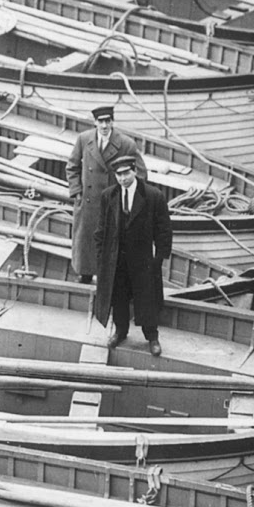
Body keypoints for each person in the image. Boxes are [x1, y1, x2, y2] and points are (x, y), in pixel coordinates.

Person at [93, 153, 172, 357]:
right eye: (118, 175)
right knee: (118, 296)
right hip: (117, 258)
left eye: (126, 173)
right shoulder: (108, 196)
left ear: (135, 172)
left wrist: (159, 257)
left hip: (143, 259)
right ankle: (120, 331)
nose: (122, 178)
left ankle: (152, 336)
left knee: (147, 298)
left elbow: (164, 230)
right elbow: (101, 229)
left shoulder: (153, 196)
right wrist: (102, 257)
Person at [66, 104, 145, 283]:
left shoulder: (126, 144)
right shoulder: (84, 139)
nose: (104, 126)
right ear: (95, 122)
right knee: (86, 243)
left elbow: (141, 173)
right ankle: (85, 275)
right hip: (87, 204)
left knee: (111, 243)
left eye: (107, 121)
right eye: (100, 121)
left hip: (114, 204)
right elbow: (72, 166)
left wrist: (129, 198)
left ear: (112, 122)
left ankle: (108, 279)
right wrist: (77, 192)